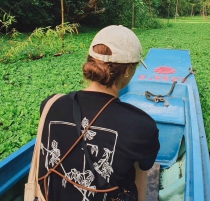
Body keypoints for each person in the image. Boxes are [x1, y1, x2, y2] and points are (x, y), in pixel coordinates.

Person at [37, 25, 160, 201]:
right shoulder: (141, 126)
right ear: (126, 71)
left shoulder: (50, 105)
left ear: (90, 60)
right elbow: (142, 179)